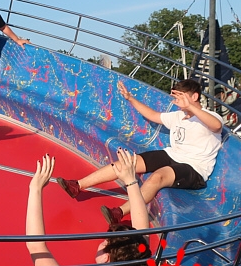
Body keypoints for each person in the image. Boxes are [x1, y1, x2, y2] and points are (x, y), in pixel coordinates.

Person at [56, 78, 223, 224]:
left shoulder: (210, 116)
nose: (177, 102)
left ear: (194, 97)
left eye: (180, 97)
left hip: (194, 167)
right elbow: (153, 115)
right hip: (173, 155)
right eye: (176, 98)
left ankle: (119, 212)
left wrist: (191, 107)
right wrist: (130, 98)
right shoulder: (178, 116)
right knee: (129, 163)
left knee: (157, 177)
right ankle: (77, 185)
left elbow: (216, 126)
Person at [26, 150, 151, 266]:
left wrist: (35, 189)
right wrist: (131, 181)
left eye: (104, 242)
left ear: (106, 258)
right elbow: (142, 236)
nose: (100, 243)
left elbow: (36, 246)